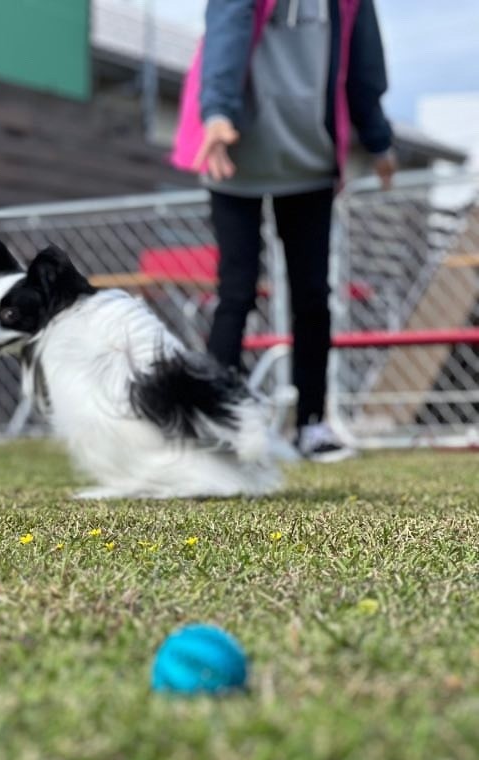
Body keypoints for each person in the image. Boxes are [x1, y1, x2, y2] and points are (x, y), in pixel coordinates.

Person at [172, 0, 396, 462]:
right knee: (235, 289)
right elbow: (225, 35)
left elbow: (363, 66)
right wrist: (215, 112)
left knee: (313, 295)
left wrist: (378, 138)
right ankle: (217, 423)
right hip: (232, 154)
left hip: (308, 159)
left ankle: (312, 424)